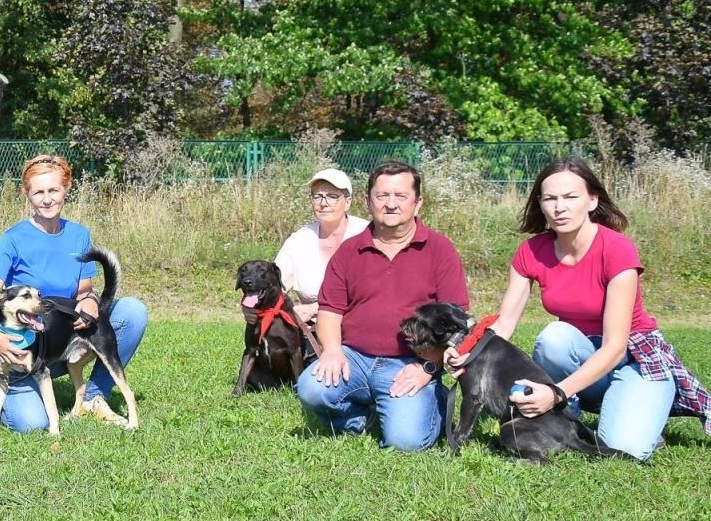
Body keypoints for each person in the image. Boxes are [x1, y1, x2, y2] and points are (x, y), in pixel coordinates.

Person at [465, 157, 711, 460]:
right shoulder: (531, 251)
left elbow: (615, 345)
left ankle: (642, 407)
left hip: (635, 358)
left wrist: (556, 393)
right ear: (540, 204)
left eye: (570, 197)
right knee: (555, 338)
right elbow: (503, 325)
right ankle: (585, 410)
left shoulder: (617, 249)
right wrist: (466, 350)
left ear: (592, 200)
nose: (559, 207)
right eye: (550, 198)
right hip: (580, 351)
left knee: (625, 449)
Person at [296, 160, 467, 451]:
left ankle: (429, 404)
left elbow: (457, 320)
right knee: (312, 388)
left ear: (417, 203)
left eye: (400, 196)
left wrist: (428, 366)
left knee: (405, 442)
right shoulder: (350, 251)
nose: (390, 204)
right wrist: (333, 351)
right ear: (368, 201)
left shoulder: (440, 249)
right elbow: (330, 310)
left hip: (410, 364)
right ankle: (357, 419)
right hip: (355, 359)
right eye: (382, 196)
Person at [0, 154, 147, 432]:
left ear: (66, 189)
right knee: (31, 424)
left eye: (53, 190)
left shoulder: (78, 234)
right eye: (39, 192)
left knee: (133, 311)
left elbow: (84, 289)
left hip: (64, 340)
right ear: (27, 194)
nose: (47, 199)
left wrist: (90, 302)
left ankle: (93, 397)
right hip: (21, 349)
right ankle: (9, 399)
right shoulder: (13, 238)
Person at [274, 167, 369, 326]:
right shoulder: (299, 240)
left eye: (332, 196)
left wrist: (314, 308)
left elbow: (377, 293)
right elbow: (273, 285)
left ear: (347, 202)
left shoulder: (367, 234)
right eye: (318, 196)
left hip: (361, 326)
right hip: (312, 330)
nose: (324, 203)